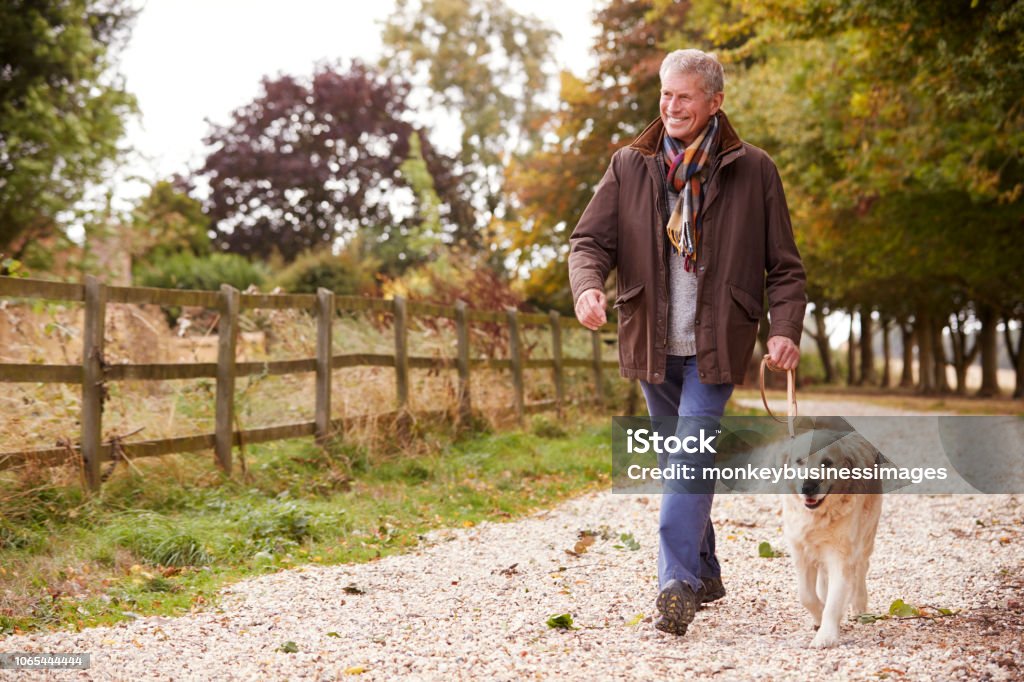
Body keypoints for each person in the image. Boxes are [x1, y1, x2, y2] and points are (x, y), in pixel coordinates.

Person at [568, 48, 806, 636]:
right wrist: (588, 289)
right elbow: (588, 243)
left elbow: (786, 268)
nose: (671, 107)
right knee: (683, 459)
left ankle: (675, 582)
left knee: (691, 455)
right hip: (651, 344)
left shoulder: (754, 170)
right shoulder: (631, 165)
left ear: (714, 103)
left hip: (716, 346)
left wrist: (783, 330)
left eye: (685, 97)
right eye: (665, 95)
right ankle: (706, 568)